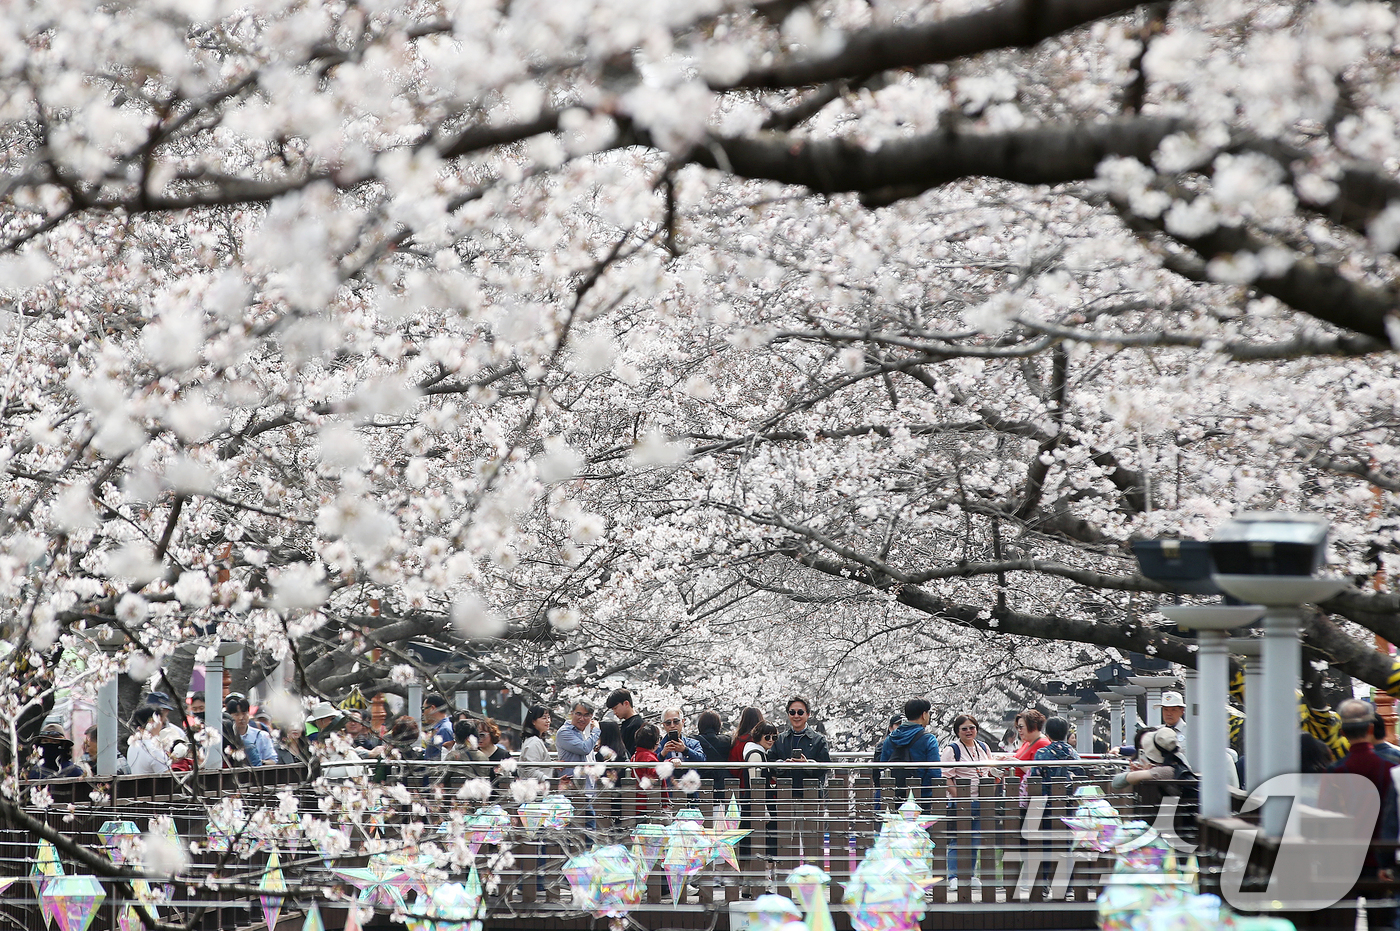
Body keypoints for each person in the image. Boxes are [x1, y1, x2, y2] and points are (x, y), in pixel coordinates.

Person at [942, 713, 994, 890]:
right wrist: (959, 796)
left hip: (981, 800)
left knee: (975, 838)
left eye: (972, 727)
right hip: (961, 800)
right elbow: (946, 777)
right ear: (958, 731)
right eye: (964, 729)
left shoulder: (983, 747)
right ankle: (954, 875)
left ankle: (971, 874)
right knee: (958, 839)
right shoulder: (952, 750)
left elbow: (988, 770)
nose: (969, 731)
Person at [878, 697, 941, 796]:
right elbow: (935, 771)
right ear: (924, 715)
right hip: (920, 794)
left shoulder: (891, 738)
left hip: (895, 793)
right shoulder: (928, 739)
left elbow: (883, 766)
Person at [769, 696, 831, 790]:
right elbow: (770, 762)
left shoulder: (819, 740)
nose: (796, 716)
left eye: (800, 712)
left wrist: (807, 764)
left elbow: (825, 767)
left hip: (810, 794)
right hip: (784, 793)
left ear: (808, 714)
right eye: (792, 712)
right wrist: (783, 765)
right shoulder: (780, 739)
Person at [227, 696, 276, 766]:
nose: (241, 718)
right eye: (236, 715)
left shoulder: (262, 736)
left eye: (244, 713)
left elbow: (273, 761)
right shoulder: (226, 736)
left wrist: (257, 762)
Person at [127, 706, 173, 775]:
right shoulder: (154, 749)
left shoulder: (133, 744)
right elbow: (168, 777)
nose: (161, 724)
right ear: (153, 722)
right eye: (160, 720)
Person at [694, 711, 731, 792]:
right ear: (718, 725)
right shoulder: (726, 741)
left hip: (700, 782)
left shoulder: (694, 740)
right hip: (722, 782)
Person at [518, 705, 554, 786]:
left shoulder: (535, 740)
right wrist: (549, 781)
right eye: (544, 718)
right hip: (537, 790)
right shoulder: (534, 742)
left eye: (548, 717)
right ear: (533, 721)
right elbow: (530, 770)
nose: (548, 721)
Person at [728, 707, 765, 781]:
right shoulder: (762, 740)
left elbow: (733, 769)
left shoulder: (737, 741)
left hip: (741, 784)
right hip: (761, 783)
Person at [606, 689, 643, 757]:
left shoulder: (635, 725)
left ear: (626, 703)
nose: (614, 712)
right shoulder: (629, 723)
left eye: (615, 708)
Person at [422, 694, 456, 760]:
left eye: (423, 709)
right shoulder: (442, 728)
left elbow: (445, 757)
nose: (423, 713)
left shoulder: (444, 730)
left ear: (432, 708)